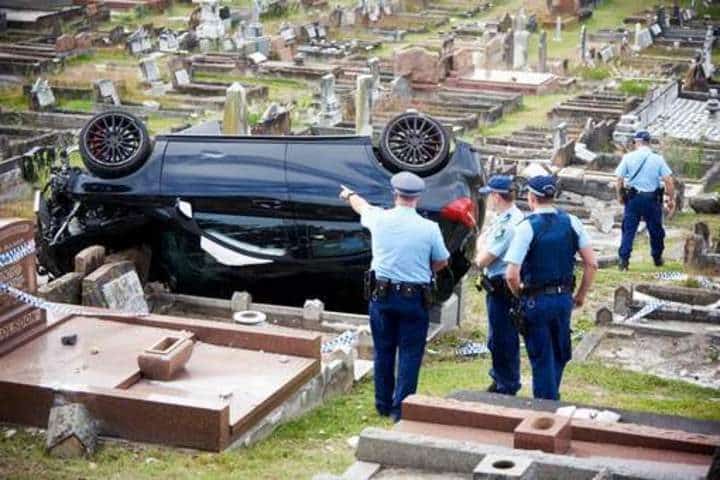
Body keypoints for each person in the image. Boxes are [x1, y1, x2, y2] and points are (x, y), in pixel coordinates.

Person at [339, 172, 449, 421]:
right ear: (417, 198)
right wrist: (423, 268)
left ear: (395, 194)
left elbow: (362, 207)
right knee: (410, 353)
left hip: (383, 294)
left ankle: (382, 403)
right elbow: (442, 260)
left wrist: (349, 194)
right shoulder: (429, 228)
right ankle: (401, 409)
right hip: (414, 297)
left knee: (384, 350)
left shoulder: (380, 219)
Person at [505, 175, 597, 401]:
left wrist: (519, 293)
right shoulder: (572, 222)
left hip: (536, 300)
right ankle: (551, 397)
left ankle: (547, 406)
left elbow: (511, 274)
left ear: (532, 197)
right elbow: (592, 263)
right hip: (563, 298)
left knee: (542, 356)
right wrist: (581, 295)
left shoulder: (526, 228)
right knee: (559, 352)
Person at [474, 175, 524, 395]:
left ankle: (507, 385)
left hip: (502, 287)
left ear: (496, 196)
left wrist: (479, 245)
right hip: (495, 285)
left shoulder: (509, 224)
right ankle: (499, 377)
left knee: (503, 338)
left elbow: (482, 259)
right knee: (496, 338)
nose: (489, 200)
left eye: (490, 196)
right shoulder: (503, 218)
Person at [615, 130, 675, 271]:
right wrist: (671, 199)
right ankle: (657, 258)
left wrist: (619, 196)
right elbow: (668, 181)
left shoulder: (628, 157)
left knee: (629, 230)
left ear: (637, 142)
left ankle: (623, 261)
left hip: (634, 199)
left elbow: (619, 179)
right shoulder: (658, 159)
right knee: (656, 230)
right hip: (652, 200)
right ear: (648, 142)